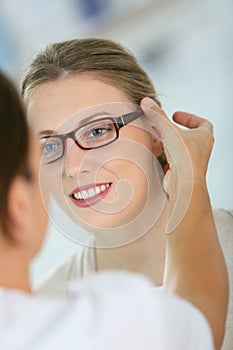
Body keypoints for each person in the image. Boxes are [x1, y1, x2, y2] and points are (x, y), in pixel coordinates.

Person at [21, 38, 229, 349]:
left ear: (156, 133)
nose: (73, 167)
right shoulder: (42, 318)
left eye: (97, 131)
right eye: (49, 146)